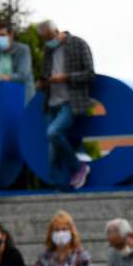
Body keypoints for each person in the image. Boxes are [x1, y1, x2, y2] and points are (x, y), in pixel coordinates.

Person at [36, 20, 96, 190]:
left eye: (49, 38)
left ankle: (79, 167)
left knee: (53, 133)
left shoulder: (78, 43)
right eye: (44, 40)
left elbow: (90, 74)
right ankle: (58, 187)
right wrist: (42, 82)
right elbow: (45, 73)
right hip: (51, 102)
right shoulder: (48, 50)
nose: (48, 42)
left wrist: (66, 77)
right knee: (52, 150)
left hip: (71, 102)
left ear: (56, 31)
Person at [0, 23, 35, 102]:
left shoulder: (23, 50)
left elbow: (22, 75)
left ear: (11, 35)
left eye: (2, 35)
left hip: (22, 96)